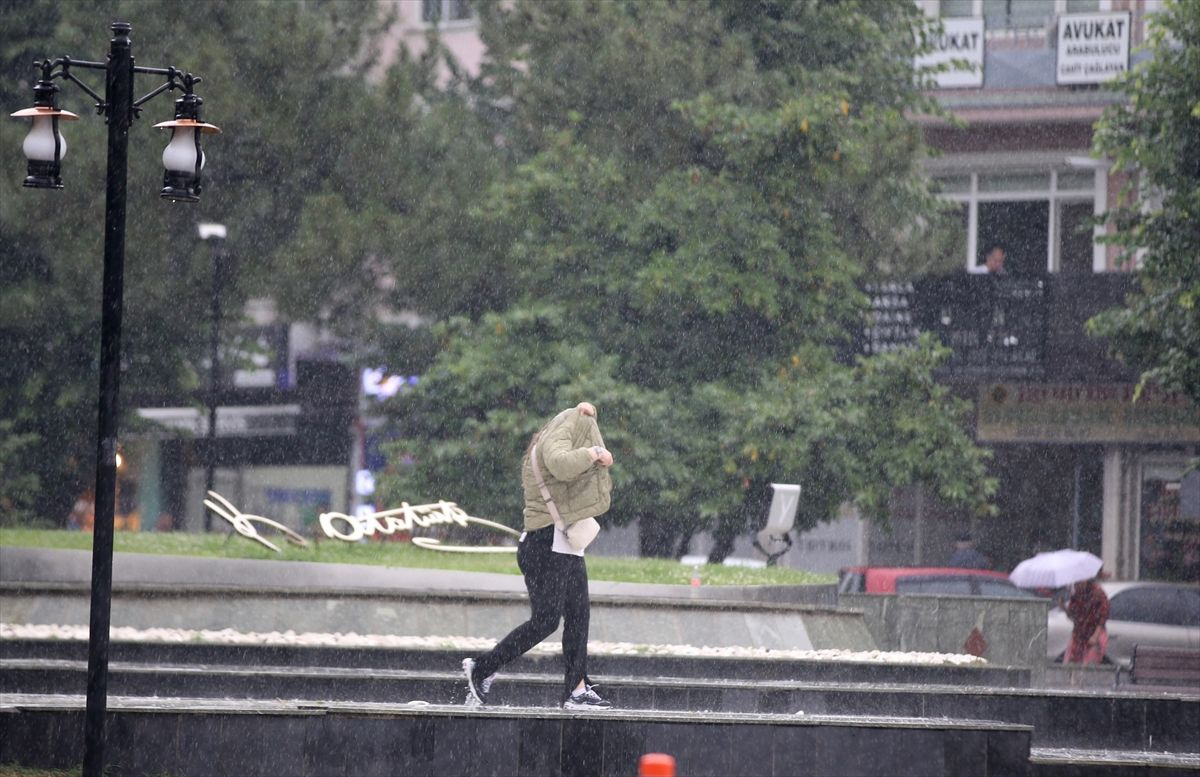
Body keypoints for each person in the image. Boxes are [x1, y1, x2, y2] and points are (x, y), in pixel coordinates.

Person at [463, 401, 615, 710]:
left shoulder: (559, 431)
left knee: (578, 616)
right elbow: (560, 462)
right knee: (546, 621)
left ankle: (576, 689)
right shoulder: (562, 430)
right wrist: (593, 453)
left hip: (561, 543)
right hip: (546, 543)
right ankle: (481, 668)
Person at [1064, 575, 1109, 664]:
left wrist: (1095, 636)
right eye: (1076, 583)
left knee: (1087, 667)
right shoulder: (1076, 595)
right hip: (1079, 636)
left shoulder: (1097, 593)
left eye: (1079, 582)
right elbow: (1073, 615)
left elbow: (1102, 617)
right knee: (1069, 664)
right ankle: (1072, 677)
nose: (1077, 585)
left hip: (1094, 635)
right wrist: (1064, 607)